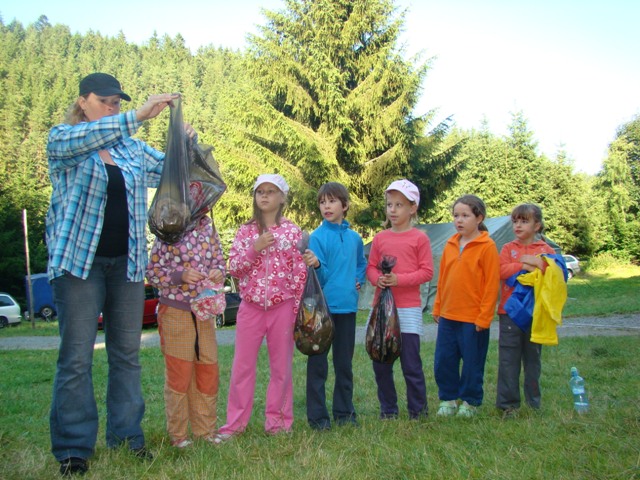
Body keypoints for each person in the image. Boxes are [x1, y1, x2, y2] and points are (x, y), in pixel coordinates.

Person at [46, 72, 194, 476]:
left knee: (126, 356)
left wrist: (184, 143)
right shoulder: (63, 140)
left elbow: (171, 170)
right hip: (78, 265)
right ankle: (74, 448)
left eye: (117, 103)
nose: (112, 108)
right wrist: (138, 115)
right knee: (76, 358)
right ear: (83, 102)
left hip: (126, 266)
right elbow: (89, 137)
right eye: (105, 101)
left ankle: (128, 438)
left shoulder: (130, 148)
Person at [212, 174, 306, 443]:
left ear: (282, 197)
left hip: (283, 308)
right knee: (242, 368)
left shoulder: (292, 232)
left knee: (281, 369)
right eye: (260, 191)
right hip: (250, 307)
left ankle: (278, 423)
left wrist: (296, 310)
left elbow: (299, 273)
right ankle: (234, 425)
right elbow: (234, 268)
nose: (264, 196)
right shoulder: (246, 231)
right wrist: (255, 248)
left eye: (271, 191)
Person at [146, 189, 225, 447]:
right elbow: (153, 272)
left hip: (204, 310)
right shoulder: (168, 227)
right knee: (179, 372)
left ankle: (205, 431)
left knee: (207, 369)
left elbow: (219, 262)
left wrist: (217, 272)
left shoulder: (208, 228)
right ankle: (178, 435)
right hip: (175, 310)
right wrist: (181, 276)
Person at [365, 179, 434, 420]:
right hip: (381, 311)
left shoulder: (419, 239)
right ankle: (388, 410)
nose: (393, 210)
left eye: (399, 205)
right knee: (381, 362)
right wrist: (378, 280)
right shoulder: (380, 238)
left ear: (412, 208)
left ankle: (418, 411)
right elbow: (371, 267)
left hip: (408, 309)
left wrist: (398, 280)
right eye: (389, 205)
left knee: (411, 364)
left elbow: (427, 272)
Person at [301, 182, 367, 430]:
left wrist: (358, 279)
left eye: (332, 201)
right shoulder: (317, 237)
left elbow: (360, 264)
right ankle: (318, 418)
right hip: (321, 310)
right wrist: (317, 264)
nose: (326, 206)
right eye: (322, 202)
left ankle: (344, 413)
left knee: (344, 365)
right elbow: (320, 277)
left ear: (345, 205)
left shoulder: (355, 238)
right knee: (318, 364)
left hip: (347, 309)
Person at [432, 194, 500, 418]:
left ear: (479, 218)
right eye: (456, 215)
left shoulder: (487, 246)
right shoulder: (450, 244)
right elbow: (443, 279)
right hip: (448, 316)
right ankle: (448, 399)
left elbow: (491, 285)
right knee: (444, 360)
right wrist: (438, 307)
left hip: (473, 319)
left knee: (472, 362)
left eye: (465, 215)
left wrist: (484, 317)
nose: (459, 220)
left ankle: (470, 401)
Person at [496, 203, 556, 418]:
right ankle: (508, 405)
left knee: (533, 359)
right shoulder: (507, 248)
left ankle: (533, 403)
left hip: (535, 312)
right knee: (508, 360)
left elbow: (554, 273)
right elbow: (500, 270)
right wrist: (524, 265)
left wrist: (538, 262)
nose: (518, 225)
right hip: (510, 313)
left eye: (524, 221)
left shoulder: (547, 250)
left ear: (537, 225)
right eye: (515, 221)